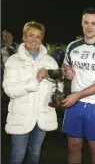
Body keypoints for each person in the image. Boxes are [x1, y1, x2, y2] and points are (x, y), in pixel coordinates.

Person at [61, 8, 95, 164]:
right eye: (86, 23)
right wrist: (67, 70)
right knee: (73, 146)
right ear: (81, 23)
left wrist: (78, 95)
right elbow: (65, 65)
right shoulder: (73, 46)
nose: (89, 27)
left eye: (94, 23)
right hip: (74, 104)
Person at [2, 21, 62, 164]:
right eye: (30, 35)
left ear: (42, 39)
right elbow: (10, 90)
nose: (34, 40)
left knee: (35, 153)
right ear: (23, 37)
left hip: (42, 115)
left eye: (38, 36)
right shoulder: (13, 61)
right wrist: (35, 81)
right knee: (18, 154)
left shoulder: (50, 61)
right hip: (21, 116)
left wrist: (58, 93)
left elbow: (57, 85)